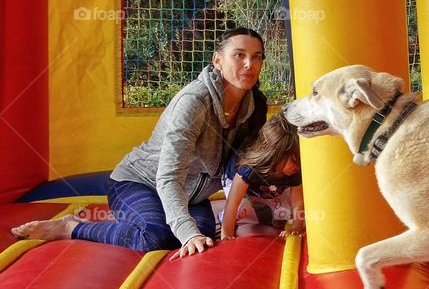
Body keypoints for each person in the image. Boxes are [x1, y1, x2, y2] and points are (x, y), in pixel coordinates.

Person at [11, 28, 268, 260]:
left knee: (204, 240)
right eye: (239, 55)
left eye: (256, 57)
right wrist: (186, 232)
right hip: (139, 182)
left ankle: (163, 220)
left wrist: (276, 212)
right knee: (156, 238)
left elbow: (245, 165)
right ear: (218, 61)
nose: (249, 64)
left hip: (192, 195)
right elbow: (167, 176)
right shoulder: (194, 102)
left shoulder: (255, 107)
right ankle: (71, 227)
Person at [220, 114, 305, 241]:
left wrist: (296, 228)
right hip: (241, 187)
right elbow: (232, 202)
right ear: (275, 155)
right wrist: (226, 235)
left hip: (269, 188)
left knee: (287, 210)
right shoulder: (250, 168)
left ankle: (277, 222)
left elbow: (298, 202)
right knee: (240, 209)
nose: (297, 166)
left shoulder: (294, 170)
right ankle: (223, 220)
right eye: (293, 161)